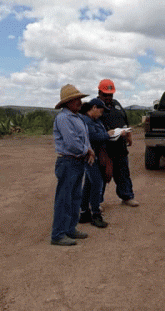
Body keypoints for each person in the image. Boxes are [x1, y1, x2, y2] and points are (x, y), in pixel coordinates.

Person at [51, 84, 94, 246]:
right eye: (74, 99)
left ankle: (70, 229)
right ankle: (58, 234)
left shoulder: (77, 117)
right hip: (68, 162)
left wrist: (88, 149)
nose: (79, 102)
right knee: (64, 199)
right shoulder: (63, 118)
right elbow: (72, 144)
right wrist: (88, 151)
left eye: (79, 99)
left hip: (76, 162)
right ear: (66, 103)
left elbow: (83, 139)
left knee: (75, 197)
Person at [79, 98, 126, 228]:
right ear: (94, 108)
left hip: (97, 155)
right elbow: (93, 137)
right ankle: (95, 214)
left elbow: (99, 134)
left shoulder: (95, 120)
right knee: (97, 183)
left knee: (89, 184)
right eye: (100, 110)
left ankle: (84, 212)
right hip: (90, 157)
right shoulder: (86, 121)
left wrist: (111, 134)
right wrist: (107, 134)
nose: (102, 113)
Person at [96, 79, 139, 207]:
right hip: (104, 149)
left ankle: (127, 196)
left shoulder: (116, 104)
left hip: (120, 146)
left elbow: (124, 120)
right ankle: (96, 203)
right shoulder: (95, 106)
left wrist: (129, 135)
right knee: (102, 176)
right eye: (106, 94)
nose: (109, 97)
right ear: (99, 92)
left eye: (111, 94)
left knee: (123, 173)